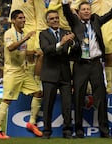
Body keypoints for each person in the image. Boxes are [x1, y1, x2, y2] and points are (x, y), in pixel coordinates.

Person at [62, 0, 112, 138]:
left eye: (88, 9)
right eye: (83, 9)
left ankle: (104, 130)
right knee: (78, 98)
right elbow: (65, 11)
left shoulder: (96, 19)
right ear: (78, 11)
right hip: (80, 64)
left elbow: (111, 14)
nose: (86, 11)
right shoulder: (74, 21)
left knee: (101, 96)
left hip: (96, 64)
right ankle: (79, 130)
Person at [1, 0, 42, 137]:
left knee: (35, 54)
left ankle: (32, 80)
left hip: (31, 25)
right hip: (16, 25)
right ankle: (23, 80)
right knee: (17, 54)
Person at [0, 10, 42, 139]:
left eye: (24, 18)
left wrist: (35, 53)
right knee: (7, 100)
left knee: (38, 92)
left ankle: (31, 123)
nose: (23, 20)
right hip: (12, 72)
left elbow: (23, 52)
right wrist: (25, 39)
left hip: (23, 71)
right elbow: (11, 48)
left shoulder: (24, 33)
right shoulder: (9, 33)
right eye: (20, 18)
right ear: (13, 20)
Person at [39, 10, 75, 139]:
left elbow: (73, 51)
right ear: (47, 21)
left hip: (65, 75)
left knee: (67, 105)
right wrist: (62, 43)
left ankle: (67, 131)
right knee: (48, 105)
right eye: (52, 19)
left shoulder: (66, 32)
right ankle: (47, 131)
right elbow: (47, 50)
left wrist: (73, 42)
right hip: (50, 75)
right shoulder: (43, 34)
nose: (55, 20)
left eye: (56, 18)